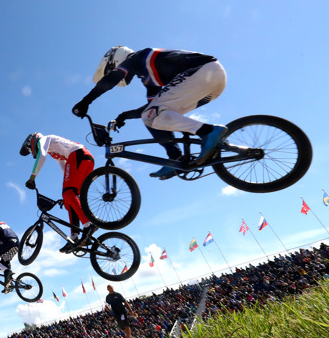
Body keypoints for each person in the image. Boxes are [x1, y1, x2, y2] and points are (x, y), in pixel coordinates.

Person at [72, 46, 228, 179]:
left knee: (150, 115)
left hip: (204, 72)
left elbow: (114, 77)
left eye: (111, 68)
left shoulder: (138, 57)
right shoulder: (149, 79)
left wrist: (86, 101)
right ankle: (175, 159)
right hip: (211, 83)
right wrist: (124, 116)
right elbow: (150, 109)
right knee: (153, 115)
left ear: (116, 59)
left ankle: (208, 132)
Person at [20, 132, 96, 252]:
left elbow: (42, 156)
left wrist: (32, 177)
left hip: (79, 155)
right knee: (69, 199)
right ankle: (74, 236)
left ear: (32, 141)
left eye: (30, 149)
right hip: (86, 159)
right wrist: (68, 190)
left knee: (68, 193)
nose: (32, 152)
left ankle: (88, 224)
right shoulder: (54, 151)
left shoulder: (44, 139)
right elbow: (64, 166)